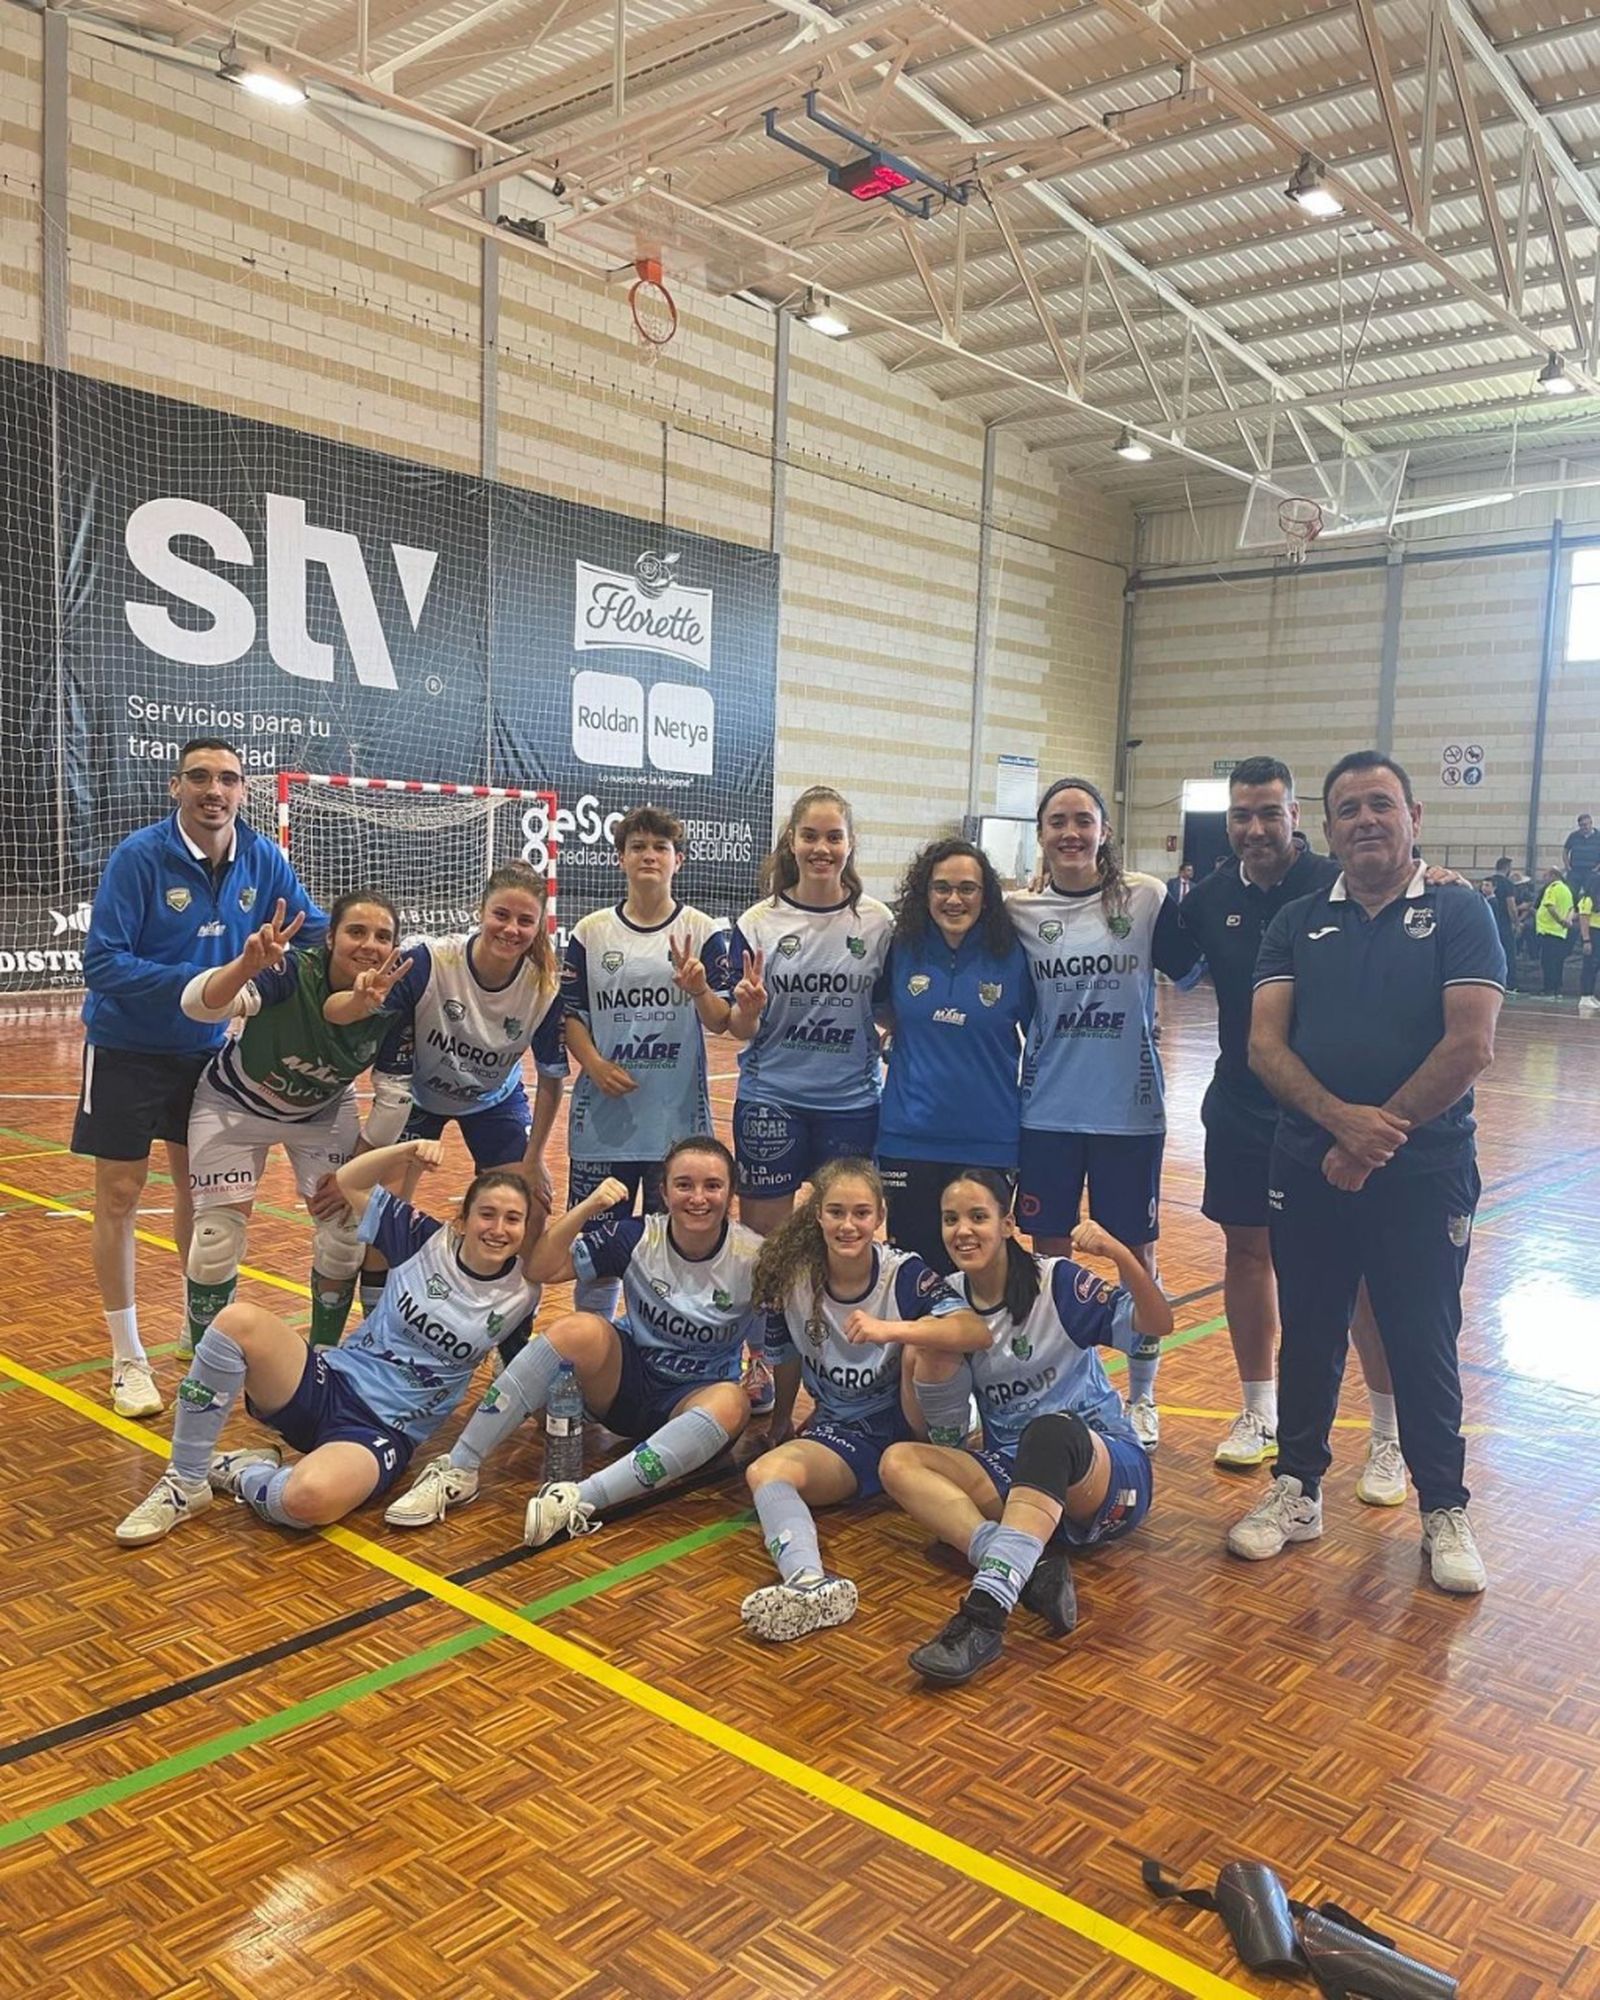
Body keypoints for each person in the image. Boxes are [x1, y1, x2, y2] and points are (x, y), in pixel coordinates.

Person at [1231, 751, 1504, 1595]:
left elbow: (1471, 1043)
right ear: (1330, 825)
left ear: (1415, 815)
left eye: (1380, 805)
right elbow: (1264, 1045)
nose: (1366, 821)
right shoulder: (1297, 921)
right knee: (1312, 1329)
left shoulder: (1462, 911)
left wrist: (1375, 1136)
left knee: (1421, 1338)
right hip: (1307, 1162)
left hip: (1424, 1170)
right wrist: (1341, 1126)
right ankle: (1298, 1491)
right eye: (1348, 809)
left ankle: (1443, 1511)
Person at [113, 1138, 542, 1545]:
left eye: (512, 1219)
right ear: (462, 1221)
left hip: (382, 1429)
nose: (498, 1229)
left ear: (525, 1230)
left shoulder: (520, 1294)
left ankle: (245, 1473)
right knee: (237, 1322)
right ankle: (185, 1481)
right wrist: (408, 1152)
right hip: (331, 1380)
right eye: (487, 1214)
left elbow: (526, 1370)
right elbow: (350, 1180)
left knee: (308, 1500)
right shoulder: (423, 1239)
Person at [1173, 757, 1407, 1499]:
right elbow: (1157, 957)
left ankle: (1389, 1438)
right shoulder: (1207, 900)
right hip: (1242, 1107)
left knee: (1362, 1273)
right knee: (1247, 1254)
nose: (1255, 829)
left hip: (1331, 1110)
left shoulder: (1338, 885)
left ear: (1297, 815)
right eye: (1241, 815)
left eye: (1269, 813)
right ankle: (1257, 1413)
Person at [73, 738, 323, 1418]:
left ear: (244, 792)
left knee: (200, 1190)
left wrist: (303, 977)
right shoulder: (140, 857)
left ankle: (198, 1324)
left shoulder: (263, 858)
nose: (216, 790)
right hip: (125, 1045)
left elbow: (313, 931)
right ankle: (127, 1357)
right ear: (175, 787)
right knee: (121, 1193)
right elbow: (102, 964)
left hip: (207, 1055)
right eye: (201, 778)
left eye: (229, 779)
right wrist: (206, 985)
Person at [381, 1136, 761, 1537]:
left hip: (694, 1403)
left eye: (712, 1186)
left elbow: (786, 1339)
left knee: (734, 1400)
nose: (697, 1198)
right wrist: (589, 1206)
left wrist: (783, 1417)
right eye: (684, 1185)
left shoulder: (752, 1256)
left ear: (731, 1194)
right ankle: (459, 1467)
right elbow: (541, 1268)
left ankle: (577, 1500)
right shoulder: (637, 1237)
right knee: (578, 1329)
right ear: (664, 1192)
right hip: (626, 1388)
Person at [880, 1169, 1171, 1686]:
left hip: (1104, 1467)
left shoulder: (1054, 1281)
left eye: (977, 1217)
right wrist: (920, 1361)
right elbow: (935, 1432)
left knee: (1050, 1432)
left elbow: (1156, 1325)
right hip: (1018, 1476)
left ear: (1008, 1224)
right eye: (951, 1220)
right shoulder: (949, 1300)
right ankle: (1029, 1567)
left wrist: (1121, 1254)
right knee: (898, 1461)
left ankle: (984, 1617)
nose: (962, 1231)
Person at [1006, 775, 1192, 1450]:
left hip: (1129, 1113)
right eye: (1057, 821)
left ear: (1105, 830)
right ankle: (1065, 1390)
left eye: (1083, 820)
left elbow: (1208, 958)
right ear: (1041, 834)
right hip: (1047, 1112)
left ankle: (1142, 1400)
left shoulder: (1143, 897)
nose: (1071, 833)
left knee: (1134, 1257)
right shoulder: (1019, 912)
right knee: (1049, 1260)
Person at [739, 1158, 986, 1642]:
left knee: (931, 1342)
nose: (848, 1225)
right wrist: (781, 1422)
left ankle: (949, 1459)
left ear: (880, 1217)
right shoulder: (794, 1277)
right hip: (845, 1435)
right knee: (764, 1472)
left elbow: (973, 1330)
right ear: (817, 1216)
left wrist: (890, 1329)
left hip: (909, 1421)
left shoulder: (904, 1273)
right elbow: (786, 1355)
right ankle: (809, 1583)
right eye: (835, 1212)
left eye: (860, 1213)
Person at [180, 891, 415, 1355]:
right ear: (330, 937)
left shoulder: (395, 1002)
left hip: (320, 1115)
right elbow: (197, 1006)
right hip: (234, 1106)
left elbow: (394, 1097)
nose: (369, 944)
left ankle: (322, 1356)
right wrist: (244, 967)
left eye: (383, 936)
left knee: (344, 1235)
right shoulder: (289, 972)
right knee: (215, 1241)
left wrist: (354, 1169)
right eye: (356, 931)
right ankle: (205, 1354)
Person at [358, 862, 566, 1313]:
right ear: (480, 910)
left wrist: (534, 1161)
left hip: (493, 1101)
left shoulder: (544, 988)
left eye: (525, 920)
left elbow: (551, 1082)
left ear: (540, 925)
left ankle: (509, 1340)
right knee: (384, 1212)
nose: (511, 929)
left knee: (529, 1207)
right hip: (418, 1095)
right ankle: (375, 1323)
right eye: (501, 915)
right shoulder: (429, 961)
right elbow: (365, 1024)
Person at [562, 805, 732, 1316]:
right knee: (594, 1250)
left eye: (660, 847)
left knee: (671, 1252)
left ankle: (657, 1348)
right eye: (637, 847)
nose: (649, 856)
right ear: (620, 859)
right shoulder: (591, 932)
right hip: (603, 1124)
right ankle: (593, 1355)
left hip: (674, 1126)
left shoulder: (702, 930)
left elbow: (723, 1019)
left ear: (677, 859)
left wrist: (699, 990)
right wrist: (592, 1063)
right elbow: (572, 1014)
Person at [727, 787, 892, 1235]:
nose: (822, 849)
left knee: (845, 1239)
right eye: (810, 836)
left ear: (850, 844)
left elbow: (892, 1009)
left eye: (834, 837)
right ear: (791, 842)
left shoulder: (877, 923)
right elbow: (741, 1028)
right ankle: (770, 1311)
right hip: (771, 1099)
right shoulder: (758, 923)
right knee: (764, 1244)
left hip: (852, 1103)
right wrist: (748, 1009)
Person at [875, 838, 1033, 1272]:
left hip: (989, 1143)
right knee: (915, 1272)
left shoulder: (1014, 954)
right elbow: (881, 1011)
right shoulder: (902, 948)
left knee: (980, 1270)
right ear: (924, 893)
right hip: (908, 1139)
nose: (953, 899)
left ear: (986, 896)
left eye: (967, 888)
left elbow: (1042, 1035)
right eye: (941, 887)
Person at [1533, 868, 1575, 1000]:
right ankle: (1557, 989)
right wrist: (1567, 921)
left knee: (1547, 962)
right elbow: (1571, 908)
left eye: (1545, 876)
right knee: (1557, 962)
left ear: (1552, 876)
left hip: (1548, 930)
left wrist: (1560, 920)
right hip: (1560, 933)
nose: (1544, 879)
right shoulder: (1566, 889)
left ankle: (1548, 990)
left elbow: (1549, 906)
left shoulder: (1552, 888)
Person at [1488, 857, 1522, 993]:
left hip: (1489, 922)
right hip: (1503, 923)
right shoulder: (1507, 884)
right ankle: (1510, 983)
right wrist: (1517, 923)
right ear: (1507, 868)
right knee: (1508, 953)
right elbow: (1511, 906)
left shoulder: (1487, 881)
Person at [1563, 812, 1600, 898]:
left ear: (1591, 823)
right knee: (1571, 894)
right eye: (1581, 825)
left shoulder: (1599, 836)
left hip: (1591, 871)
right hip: (1575, 871)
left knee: (1591, 896)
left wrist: (1597, 868)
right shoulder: (1573, 836)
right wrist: (1568, 867)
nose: (1584, 827)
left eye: (1586, 824)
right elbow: (1565, 851)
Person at [1578, 881, 1598, 1017]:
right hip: (1593, 933)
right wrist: (1586, 940)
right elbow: (1583, 920)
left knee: (1596, 966)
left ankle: (1590, 994)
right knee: (1589, 965)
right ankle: (1585, 996)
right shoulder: (1588, 900)